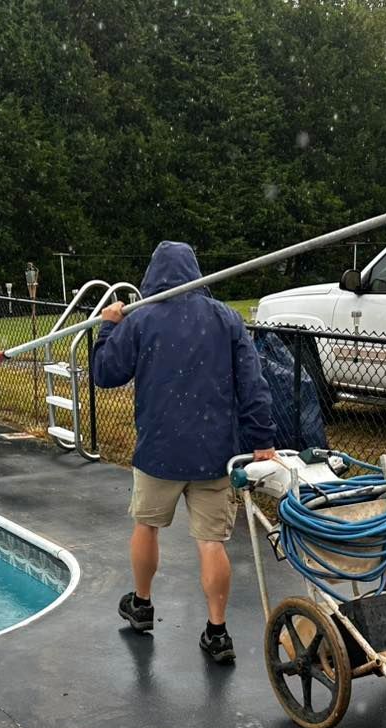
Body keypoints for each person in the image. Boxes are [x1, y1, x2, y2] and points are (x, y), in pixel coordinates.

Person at [92, 240, 276, 663]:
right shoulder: (227, 319)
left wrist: (110, 327)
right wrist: (263, 442)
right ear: (195, 273)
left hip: (159, 452)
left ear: (153, 277)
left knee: (147, 525)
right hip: (215, 454)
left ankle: (141, 604)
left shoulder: (141, 321)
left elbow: (105, 373)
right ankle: (217, 632)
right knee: (212, 542)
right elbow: (254, 386)